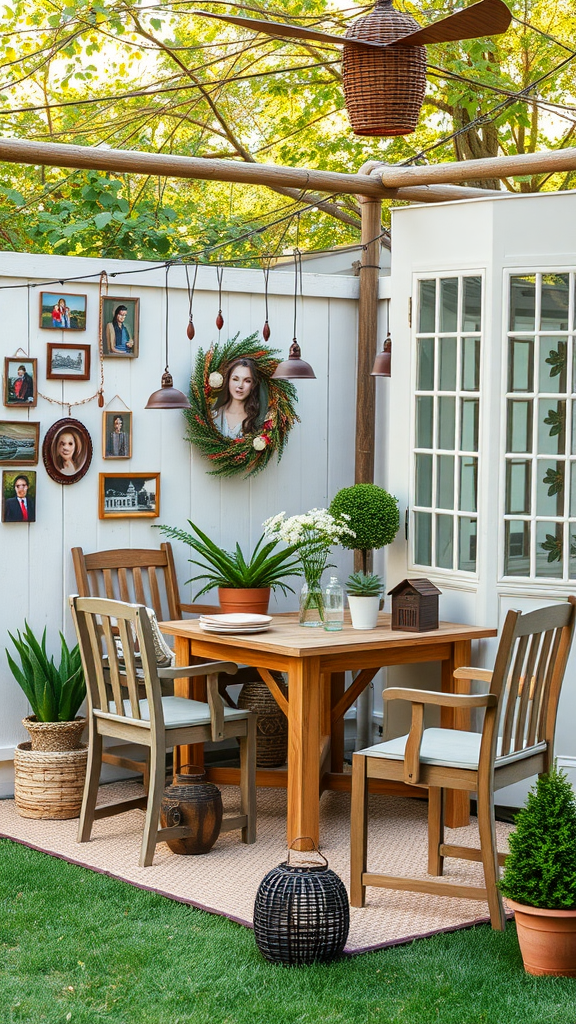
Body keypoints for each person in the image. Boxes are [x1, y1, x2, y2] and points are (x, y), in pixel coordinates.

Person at [211, 358, 262, 438]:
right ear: (228, 381)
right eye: (235, 379)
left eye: (247, 381)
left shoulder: (257, 420)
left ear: (253, 385)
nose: (240, 386)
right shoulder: (214, 415)